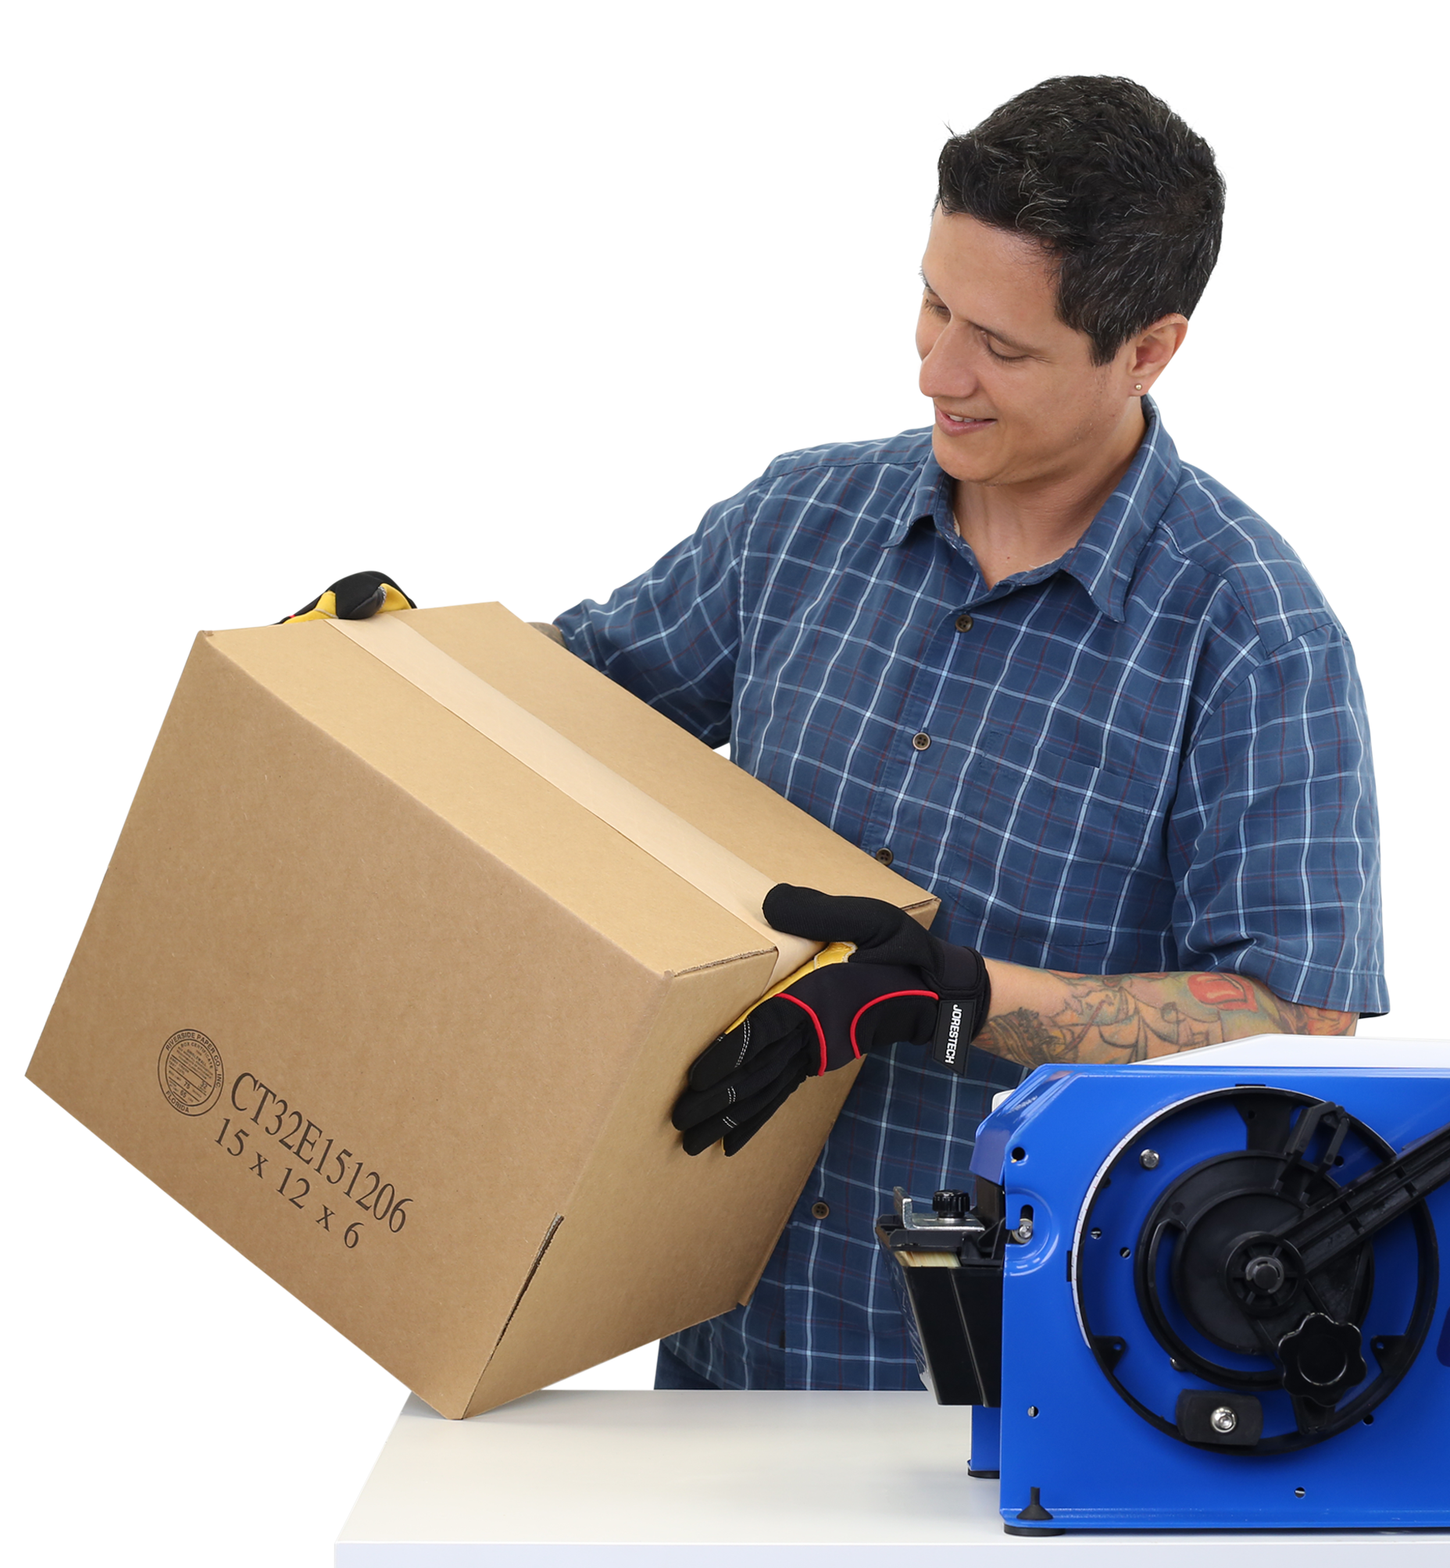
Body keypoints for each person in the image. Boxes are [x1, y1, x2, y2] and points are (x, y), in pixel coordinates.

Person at [293, 75, 1386, 1392]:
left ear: (1147, 349)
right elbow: (582, 710)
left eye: (1002, 344)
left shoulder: (1254, 639)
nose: (936, 371)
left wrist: (958, 999)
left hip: (1021, 1399)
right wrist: (407, 666)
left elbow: (1296, 1024)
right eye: (933, 303)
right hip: (720, 1356)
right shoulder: (803, 521)